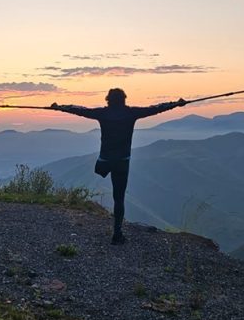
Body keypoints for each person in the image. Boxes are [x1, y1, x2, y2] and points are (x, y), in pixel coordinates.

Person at [51, 88, 187, 244]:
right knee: (119, 198)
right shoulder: (131, 113)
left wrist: (60, 107)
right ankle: (117, 233)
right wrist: (175, 104)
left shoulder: (103, 113)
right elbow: (155, 109)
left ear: (108, 100)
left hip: (105, 160)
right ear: (124, 99)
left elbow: (81, 110)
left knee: (104, 172)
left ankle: (101, 173)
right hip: (122, 161)